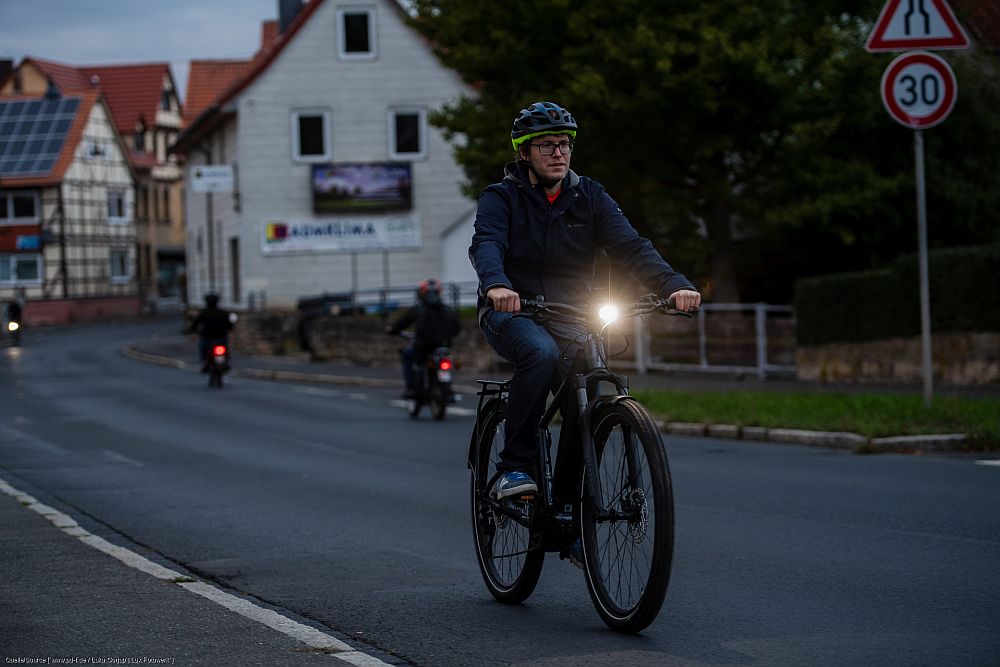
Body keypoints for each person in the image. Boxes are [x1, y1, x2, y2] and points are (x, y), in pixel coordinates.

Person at [469, 101, 701, 507]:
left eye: (564, 145)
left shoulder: (589, 196)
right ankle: (516, 467)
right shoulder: (501, 198)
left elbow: (631, 247)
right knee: (539, 353)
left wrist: (674, 284)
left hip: (572, 312)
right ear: (524, 153)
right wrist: (497, 285)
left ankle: (567, 507)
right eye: (546, 146)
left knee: (589, 388)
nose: (558, 154)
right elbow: (486, 243)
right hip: (512, 311)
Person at [386, 279, 461, 398]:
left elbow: (402, 323)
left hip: (423, 347)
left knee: (407, 355)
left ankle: (410, 387)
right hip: (444, 346)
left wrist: (392, 330)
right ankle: (448, 390)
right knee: (445, 363)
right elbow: (457, 328)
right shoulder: (448, 309)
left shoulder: (418, 309)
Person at [189, 293, 233, 371]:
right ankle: (226, 360)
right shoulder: (223, 313)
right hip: (220, 337)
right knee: (225, 346)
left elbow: (195, 324)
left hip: (207, 337)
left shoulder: (203, 313)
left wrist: (194, 330)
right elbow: (230, 325)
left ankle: (204, 361)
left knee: (202, 347)